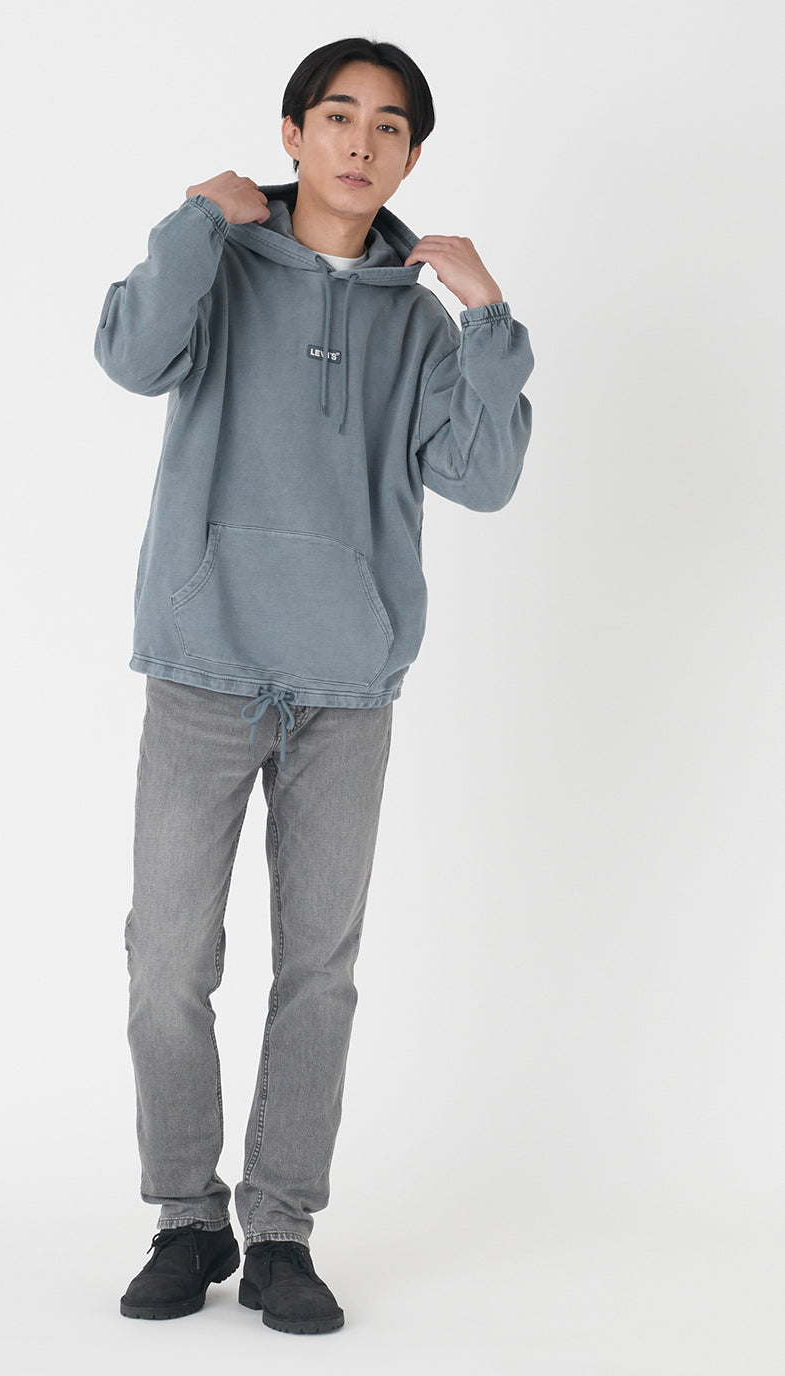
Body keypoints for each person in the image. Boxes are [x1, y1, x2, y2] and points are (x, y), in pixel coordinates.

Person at [93, 35, 534, 1335]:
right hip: (204, 662)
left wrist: (490, 318)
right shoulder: (222, 265)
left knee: (318, 973)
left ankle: (280, 1230)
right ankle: (186, 1218)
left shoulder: (418, 319)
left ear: (410, 158)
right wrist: (195, 217)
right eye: (337, 116)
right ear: (292, 135)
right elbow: (130, 355)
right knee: (168, 962)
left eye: (389, 127)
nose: (360, 141)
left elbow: (483, 476)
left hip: (346, 684)